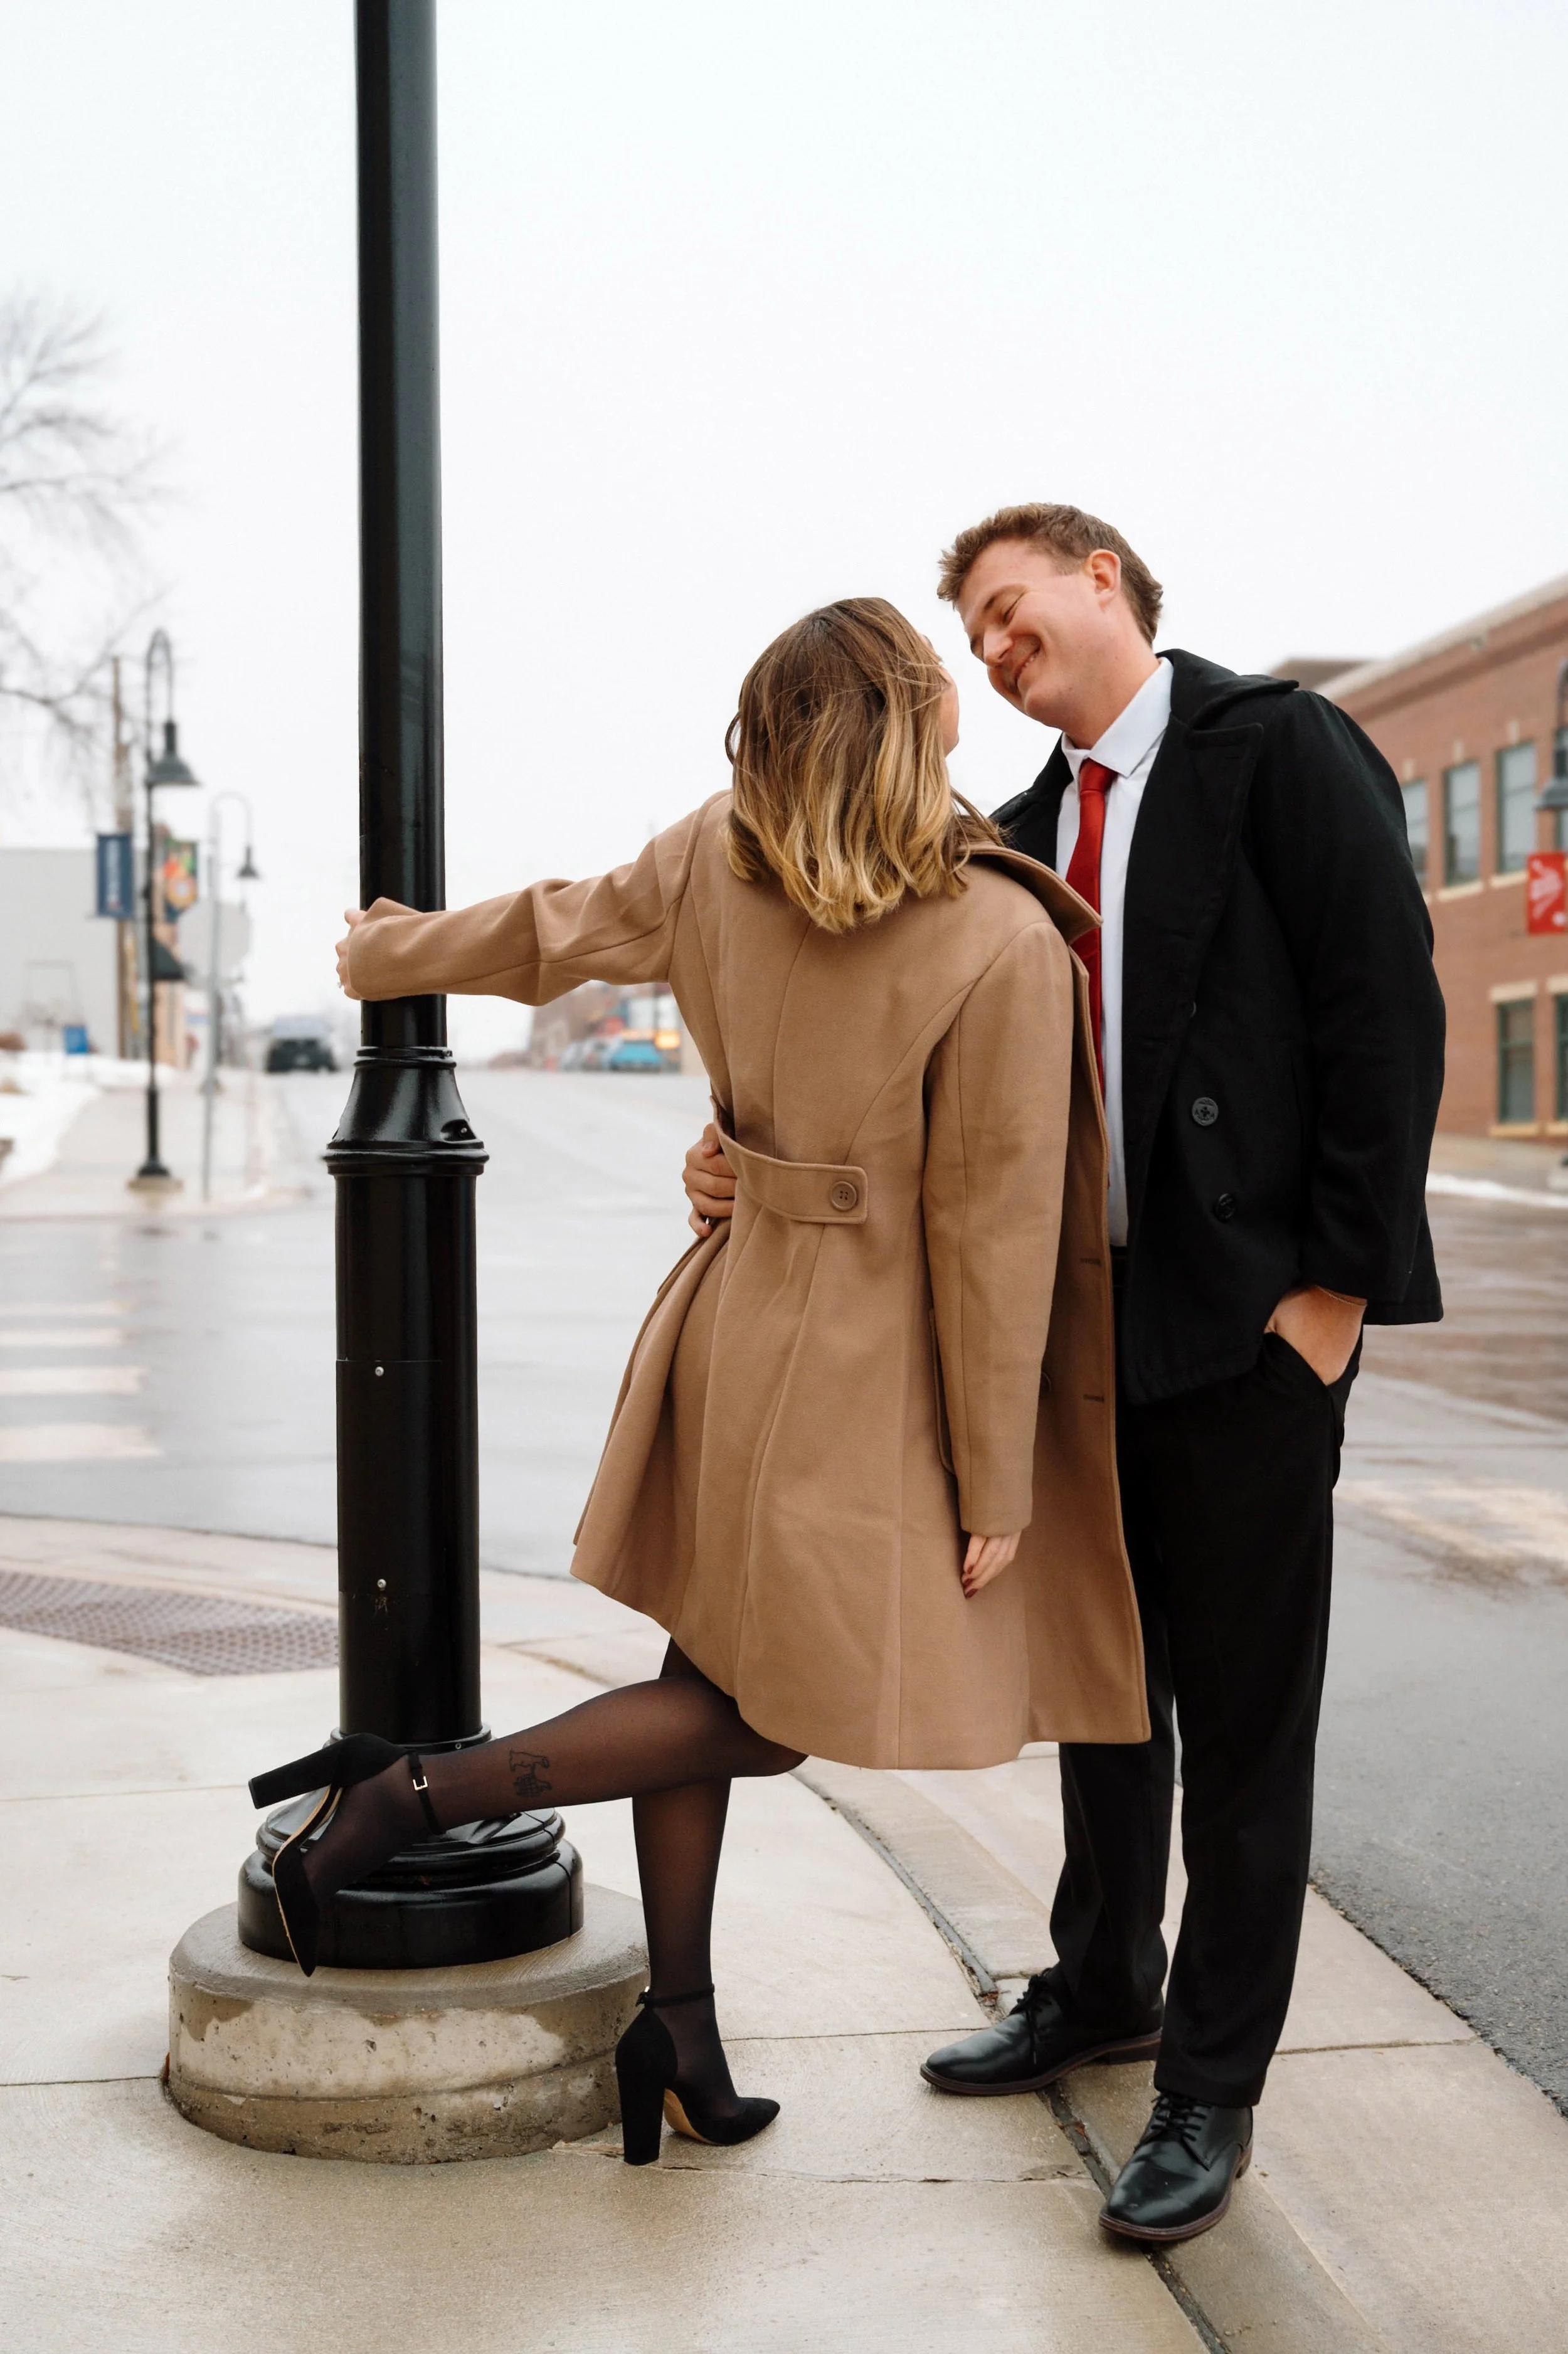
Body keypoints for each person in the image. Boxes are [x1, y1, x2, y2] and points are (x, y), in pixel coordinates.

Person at [247, 594, 1149, 2170]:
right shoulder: (999, 935)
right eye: (940, 682)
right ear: (915, 720)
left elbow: (548, 930)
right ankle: (415, 1798)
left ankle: (678, 2028)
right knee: (767, 1711)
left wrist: (392, 947)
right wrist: (999, 1482)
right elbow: (995, 1235)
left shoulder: (719, 850)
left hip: (734, 1325)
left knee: (709, 1665)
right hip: (872, 1380)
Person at [684, 507, 1445, 2243]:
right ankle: (1098, 1980)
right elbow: (880, 1057)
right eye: (978, 635)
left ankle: (1207, 2085)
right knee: (1102, 1696)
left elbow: (1382, 1015)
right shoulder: (1011, 839)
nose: (998, 649)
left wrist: (1325, 1299)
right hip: (1075, 1338)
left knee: (1244, 1735)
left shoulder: (1273, 750)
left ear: (1103, 577)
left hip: (1249, 1335)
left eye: (1014, 610)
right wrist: (727, 1153)